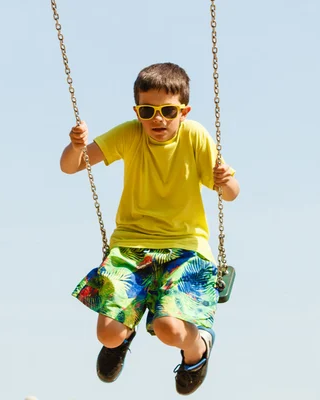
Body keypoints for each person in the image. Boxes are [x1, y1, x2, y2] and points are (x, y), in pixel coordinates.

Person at [60, 62, 240, 395]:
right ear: (137, 111)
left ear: (183, 111)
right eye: (148, 110)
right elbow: (71, 166)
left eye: (167, 111)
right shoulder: (129, 133)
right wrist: (75, 146)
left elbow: (230, 193)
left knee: (169, 328)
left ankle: (197, 350)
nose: (158, 118)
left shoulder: (196, 136)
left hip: (186, 249)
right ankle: (123, 337)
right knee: (107, 334)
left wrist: (226, 181)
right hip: (131, 246)